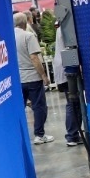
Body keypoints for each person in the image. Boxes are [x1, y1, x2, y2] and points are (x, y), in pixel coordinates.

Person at [14, 12, 53, 144]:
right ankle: (39, 135)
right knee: (39, 107)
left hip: (18, 79)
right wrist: (43, 75)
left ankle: (18, 135)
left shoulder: (9, 37)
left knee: (19, 107)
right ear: (25, 22)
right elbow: (34, 58)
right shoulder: (28, 36)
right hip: (32, 78)